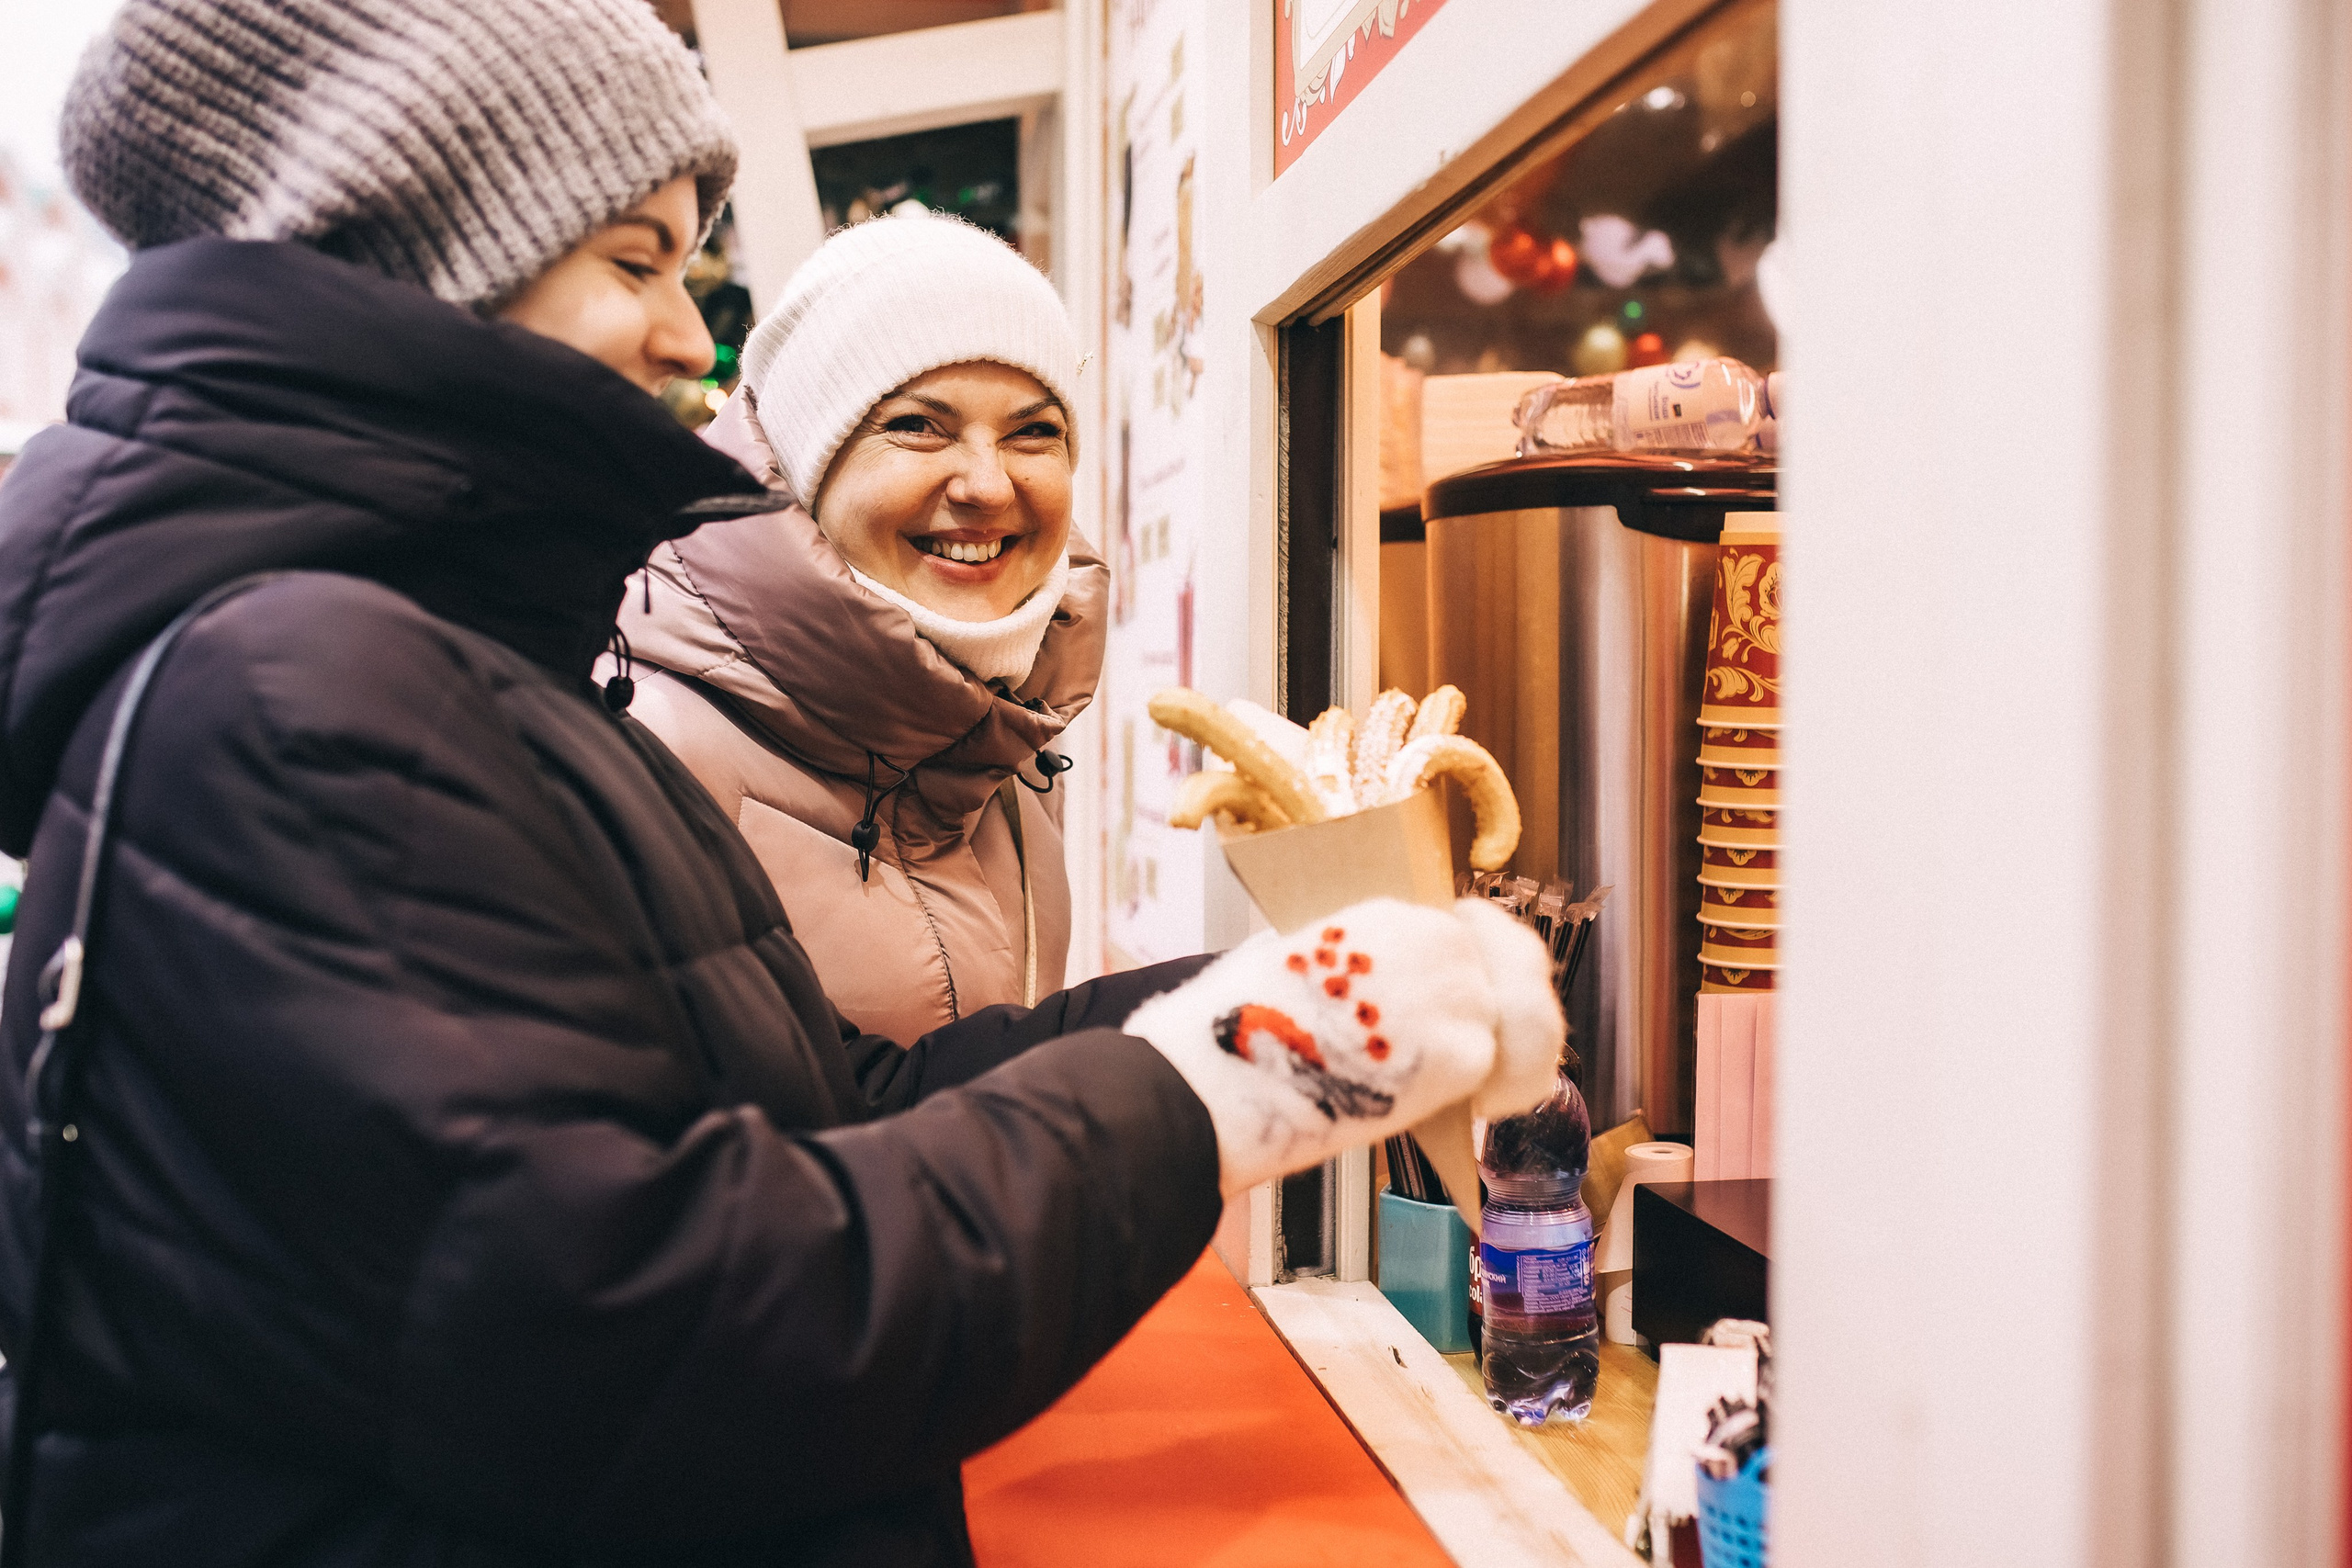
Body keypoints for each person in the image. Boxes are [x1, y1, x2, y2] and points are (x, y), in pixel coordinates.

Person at [0, 3, 1562, 1564]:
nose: (691, 335)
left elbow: (818, 1106)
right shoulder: (296, 701)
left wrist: (1268, 989)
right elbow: (664, 1345)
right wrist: (1243, 1070)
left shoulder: (452, 671)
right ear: (423, 257)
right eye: (635, 259)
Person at [618, 216, 1102, 1041]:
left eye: (1034, 431)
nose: (989, 484)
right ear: (809, 456)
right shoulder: (641, 750)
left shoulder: (1003, 729)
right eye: (918, 425)